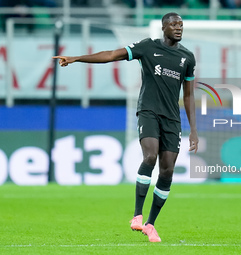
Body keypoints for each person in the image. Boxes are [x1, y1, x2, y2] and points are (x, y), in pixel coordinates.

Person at [53, 12, 199, 243]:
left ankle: (151, 224)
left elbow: (189, 96)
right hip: (149, 112)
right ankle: (137, 215)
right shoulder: (147, 47)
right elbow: (111, 55)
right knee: (150, 156)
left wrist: (194, 130)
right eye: (173, 24)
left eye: (181, 24)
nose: (178, 27)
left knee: (168, 170)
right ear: (163, 27)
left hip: (172, 119)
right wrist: (77, 58)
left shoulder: (187, 58)